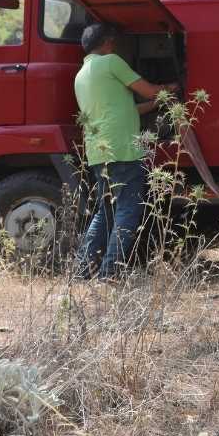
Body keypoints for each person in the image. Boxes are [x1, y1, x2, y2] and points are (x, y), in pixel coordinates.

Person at [74, 22, 177, 279]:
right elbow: (149, 89)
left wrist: (155, 103)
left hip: (98, 152)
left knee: (105, 210)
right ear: (108, 42)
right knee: (129, 210)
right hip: (123, 149)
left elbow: (127, 108)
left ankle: (83, 270)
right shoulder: (111, 62)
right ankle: (110, 273)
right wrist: (173, 88)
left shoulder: (82, 74)